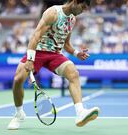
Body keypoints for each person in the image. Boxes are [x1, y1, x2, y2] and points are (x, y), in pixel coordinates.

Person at [7, 0, 100, 130]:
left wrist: (76, 53)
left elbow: (66, 43)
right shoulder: (53, 12)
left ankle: (80, 112)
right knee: (18, 79)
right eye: (82, 7)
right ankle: (19, 114)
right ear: (75, 2)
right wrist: (30, 59)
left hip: (54, 54)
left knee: (73, 73)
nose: (83, 11)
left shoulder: (72, 19)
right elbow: (36, 35)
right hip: (38, 51)